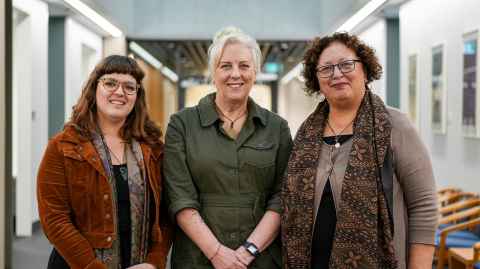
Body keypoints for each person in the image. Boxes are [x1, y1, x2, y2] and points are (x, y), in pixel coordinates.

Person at [281, 32, 438, 269]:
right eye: (326, 69)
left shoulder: (394, 126)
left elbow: (424, 205)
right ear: (317, 80)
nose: (336, 74)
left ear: (365, 70)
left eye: (346, 65)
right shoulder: (306, 133)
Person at [164, 27, 293, 269]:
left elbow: (282, 196)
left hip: (260, 260)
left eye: (244, 66)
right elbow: (180, 197)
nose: (236, 74)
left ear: (255, 72)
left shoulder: (277, 128)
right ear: (213, 73)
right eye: (226, 66)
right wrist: (217, 254)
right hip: (197, 259)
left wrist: (248, 251)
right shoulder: (182, 124)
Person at [37, 55, 172, 269]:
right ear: (94, 89)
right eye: (110, 83)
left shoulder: (153, 149)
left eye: (129, 87)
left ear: (137, 96)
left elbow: (165, 215)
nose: (119, 92)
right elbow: (54, 219)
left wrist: (155, 261)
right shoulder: (63, 147)